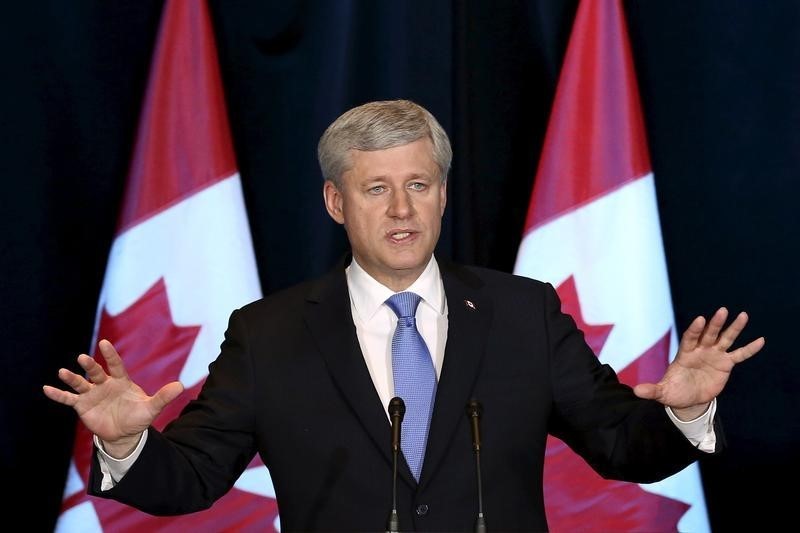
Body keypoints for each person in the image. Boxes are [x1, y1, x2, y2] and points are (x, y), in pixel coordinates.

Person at [44, 99, 764, 532]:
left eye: (419, 184)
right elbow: (193, 477)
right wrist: (127, 446)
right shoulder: (269, 333)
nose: (400, 209)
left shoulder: (522, 312)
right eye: (376, 188)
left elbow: (619, 443)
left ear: (444, 194)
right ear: (336, 202)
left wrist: (684, 414)